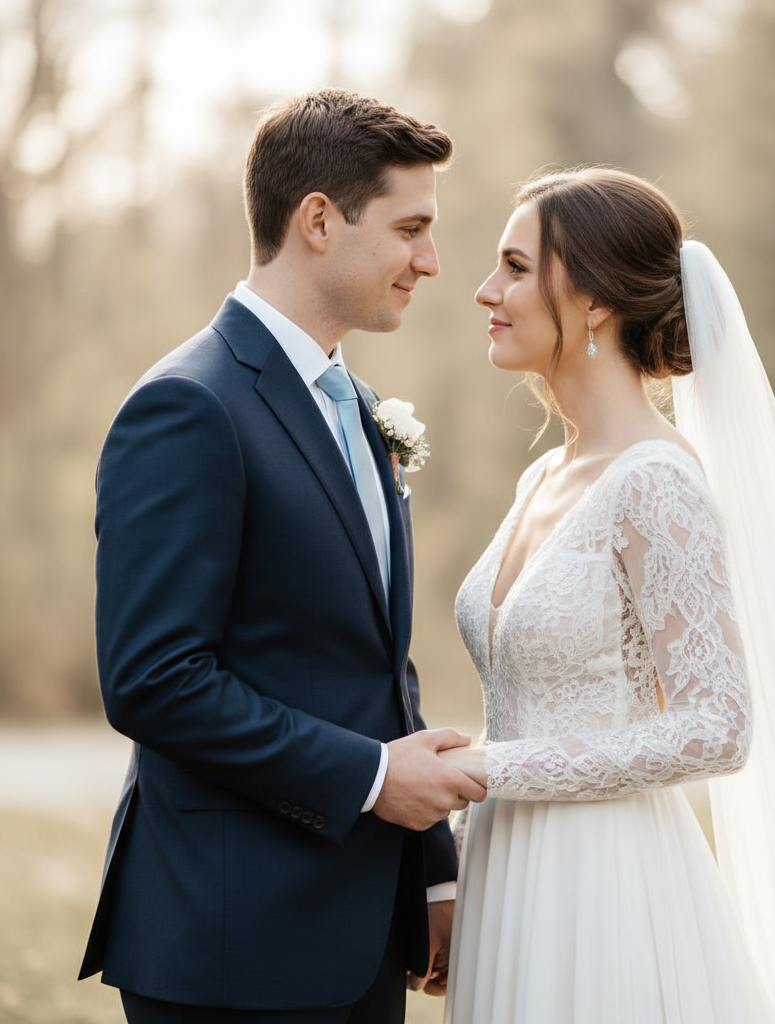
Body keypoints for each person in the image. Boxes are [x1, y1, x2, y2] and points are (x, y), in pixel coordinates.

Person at [440, 168, 775, 1024]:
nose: (485, 290)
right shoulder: (542, 475)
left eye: (514, 267)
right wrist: (457, 858)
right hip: (507, 878)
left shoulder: (655, 482)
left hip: (604, 884)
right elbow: (526, 701)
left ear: (594, 302)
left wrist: (489, 771)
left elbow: (715, 726)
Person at [77, 88, 485, 1024]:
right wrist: (374, 781)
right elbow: (154, 681)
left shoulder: (356, 406)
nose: (430, 261)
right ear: (318, 221)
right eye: (411, 229)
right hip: (233, 943)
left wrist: (430, 873)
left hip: (362, 934)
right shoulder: (189, 407)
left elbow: (372, 661)